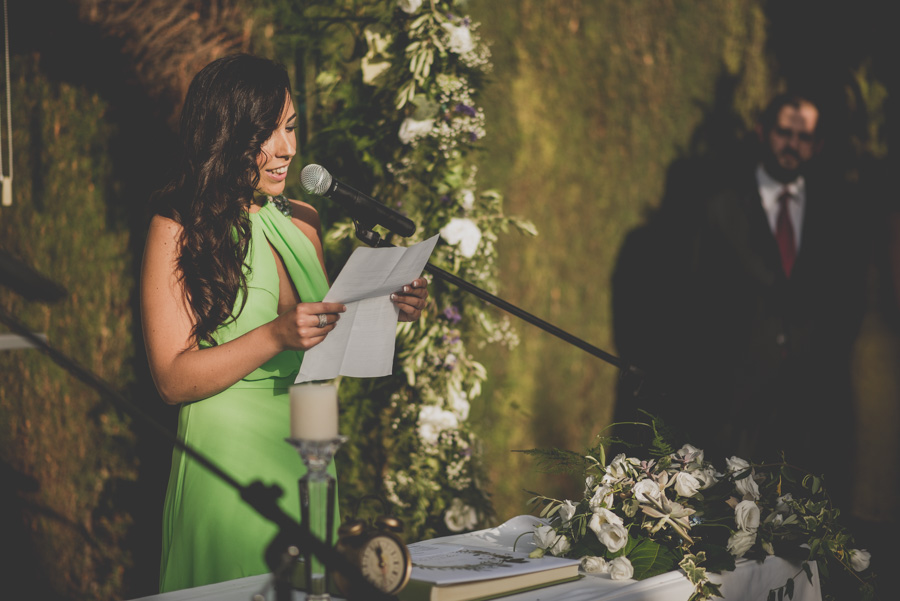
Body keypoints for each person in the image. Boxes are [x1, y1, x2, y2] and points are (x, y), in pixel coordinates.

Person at [140, 54, 428, 592]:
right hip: (226, 461)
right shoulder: (178, 228)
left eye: (290, 127)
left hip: (308, 450)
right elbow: (171, 379)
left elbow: (318, 339)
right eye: (265, 134)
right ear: (224, 137)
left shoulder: (303, 219)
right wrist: (274, 336)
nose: (287, 149)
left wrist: (387, 306)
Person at [616, 93, 867, 503]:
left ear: (817, 145)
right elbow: (690, 300)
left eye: (804, 136)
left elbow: (844, 304)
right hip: (729, 409)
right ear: (763, 132)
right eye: (784, 132)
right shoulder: (719, 206)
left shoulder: (835, 214)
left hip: (806, 414)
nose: (792, 144)